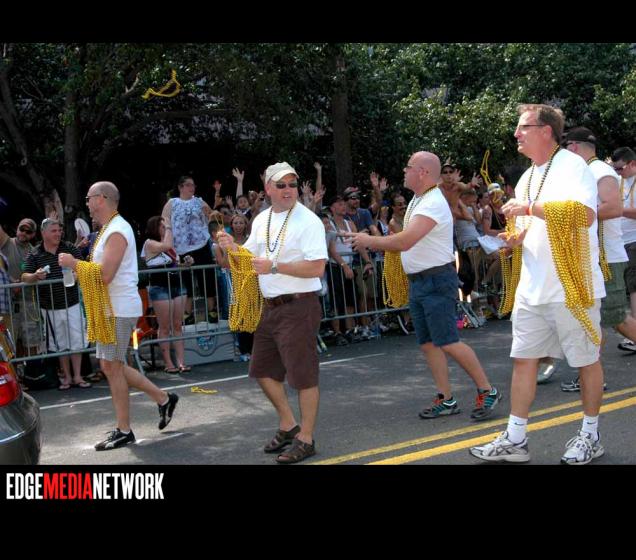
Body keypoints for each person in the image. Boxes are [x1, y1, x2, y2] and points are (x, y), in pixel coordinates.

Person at [469, 104, 606, 465]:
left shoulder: (573, 166)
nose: (516, 134)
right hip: (533, 288)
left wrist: (528, 208)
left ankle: (590, 436)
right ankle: (515, 439)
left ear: (546, 131)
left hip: (572, 286)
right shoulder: (528, 176)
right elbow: (531, 228)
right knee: (523, 360)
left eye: (523, 127)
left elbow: (584, 215)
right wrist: (514, 239)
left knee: (586, 361)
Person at [344, 151, 502, 422]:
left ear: (423, 172)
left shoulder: (431, 202)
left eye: (408, 167)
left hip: (436, 280)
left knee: (448, 341)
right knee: (429, 344)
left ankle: (487, 390)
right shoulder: (420, 198)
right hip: (421, 281)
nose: (404, 171)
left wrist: (368, 241)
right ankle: (446, 398)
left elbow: (405, 241)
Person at [217, 162, 327, 464]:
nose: (288, 190)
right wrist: (231, 246)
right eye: (281, 185)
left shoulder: (308, 221)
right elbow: (249, 257)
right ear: (268, 189)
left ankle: (306, 438)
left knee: (303, 377)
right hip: (271, 307)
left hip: (299, 305)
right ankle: (289, 425)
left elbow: (317, 267)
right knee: (262, 371)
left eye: (292, 184)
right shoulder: (263, 218)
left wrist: (274, 266)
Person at [59, 182, 178, 451]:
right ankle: (163, 398)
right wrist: (80, 269)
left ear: (102, 199)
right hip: (110, 307)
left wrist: (74, 264)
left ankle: (125, 430)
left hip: (119, 308)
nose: (87, 204)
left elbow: (104, 274)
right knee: (111, 364)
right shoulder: (109, 229)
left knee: (111, 366)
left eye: (89, 198)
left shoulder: (117, 229)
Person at [559, 127, 636, 390]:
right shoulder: (585, 172)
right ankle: (589, 376)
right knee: (594, 318)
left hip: (607, 259)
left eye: (565, 147)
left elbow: (613, 208)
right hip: (593, 257)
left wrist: (568, 216)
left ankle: (589, 377)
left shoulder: (599, 171)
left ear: (573, 147)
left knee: (616, 318)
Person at [22, 218, 89, 390]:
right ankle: (66, 377)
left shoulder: (69, 248)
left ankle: (77, 376)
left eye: (59, 230)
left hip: (72, 303)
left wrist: (77, 274)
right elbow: (24, 276)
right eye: (54, 231)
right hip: (49, 307)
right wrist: (35, 275)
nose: (58, 234)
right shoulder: (34, 253)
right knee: (60, 344)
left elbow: (83, 266)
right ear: (43, 233)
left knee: (77, 340)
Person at [161, 175, 217, 324]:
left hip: (201, 244)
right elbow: (164, 219)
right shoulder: (172, 203)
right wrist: (167, 236)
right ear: (181, 187)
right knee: (185, 281)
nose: (192, 187)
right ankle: (187, 313)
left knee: (206, 277)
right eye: (189, 185)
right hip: (181, 247)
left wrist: (210, 212)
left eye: (193, 185)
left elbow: (212, 216)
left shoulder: (199, 201)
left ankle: (212, 310)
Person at [141, 216, 190, 374]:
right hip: (160, 286)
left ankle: (181, 362)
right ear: (155, 228)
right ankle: (168, 363)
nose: (166, 228)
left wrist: (186, 264)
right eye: (162, 226)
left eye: (165, 226)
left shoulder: (169, 246)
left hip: (177, 284)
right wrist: (169, 227)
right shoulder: (150, 243)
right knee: (164, 326)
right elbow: (165, 246)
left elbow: (174, 264)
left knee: (177, 325)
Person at [0, 218, 42, 353]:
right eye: (21, 229)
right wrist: (11, 283)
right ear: (17, 228)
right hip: (7, 303)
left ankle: (32, 366)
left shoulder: (35, 251)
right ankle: (16, 367)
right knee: (11, 343)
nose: (23, 233)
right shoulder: (7, 242)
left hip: (28, 302)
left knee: (31, 342)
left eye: (28, 231)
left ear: (33, 234)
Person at [610, 146, 636, 353]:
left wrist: (616, 210)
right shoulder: (618, 181)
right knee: (629, 288)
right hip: (619, 242)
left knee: (634, 288)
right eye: (615, 169)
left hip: (634, 240)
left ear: (632, 164)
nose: (617, 172)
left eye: (620, 168)